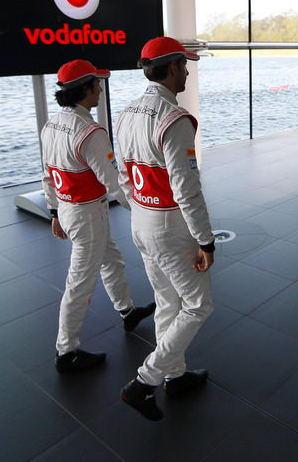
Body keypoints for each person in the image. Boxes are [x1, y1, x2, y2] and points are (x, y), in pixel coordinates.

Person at [115, 36, 216, 421]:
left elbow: (122, 176)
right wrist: (205, 241)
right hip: (171, 228)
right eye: (185, 64)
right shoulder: (174, 120)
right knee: (198, 304)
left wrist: (140, 208)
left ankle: (175, 375)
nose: (188, 71)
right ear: (171, 67)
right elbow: (187, 189)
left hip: (140, 221)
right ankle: (145, 381)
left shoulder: (125, 114)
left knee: (166, 300)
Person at [41, 59, 156, 374]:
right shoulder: (90, 132)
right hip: (88, 215)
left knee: (111, 259)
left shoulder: (51, 125)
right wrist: (143, 210)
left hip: (69, 210)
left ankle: (127, 310)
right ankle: (66, 352)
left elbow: (47, 175)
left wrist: (53, 212)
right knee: (79, 283)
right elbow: (114, 181)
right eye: (96, 84)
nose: (100, 89)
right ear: (85, 89)